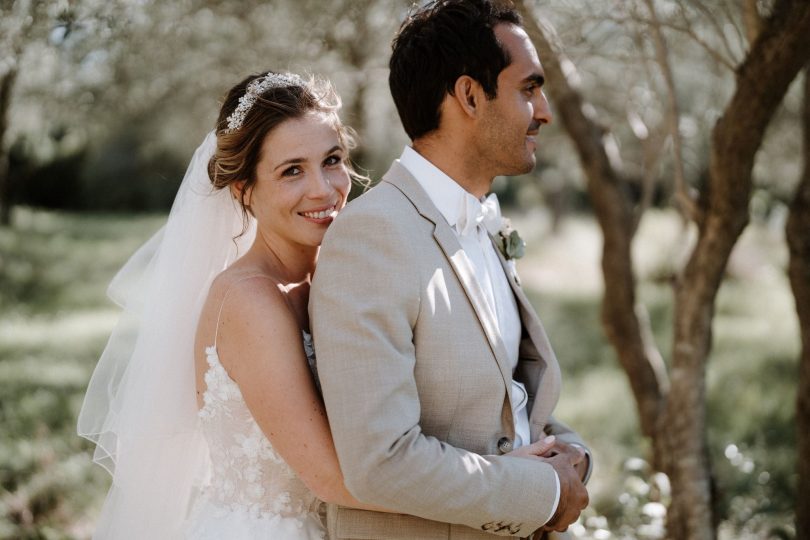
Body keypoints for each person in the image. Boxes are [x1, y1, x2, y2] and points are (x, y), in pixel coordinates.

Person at [77, 69, 557, 539]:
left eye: (331, 160)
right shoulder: (249, 301)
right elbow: (332, 477)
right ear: (244, 191)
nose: (324, 189)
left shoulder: (345, 276)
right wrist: (508, 483)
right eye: (292, 171)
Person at [310, 1, 592, 539]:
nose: (545, 110)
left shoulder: (482, 221)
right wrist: (545, 493)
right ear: (468, 96)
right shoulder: (373, 237)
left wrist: (573, 457)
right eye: (528, 88)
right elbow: (382, 460)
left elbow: (499, 404)